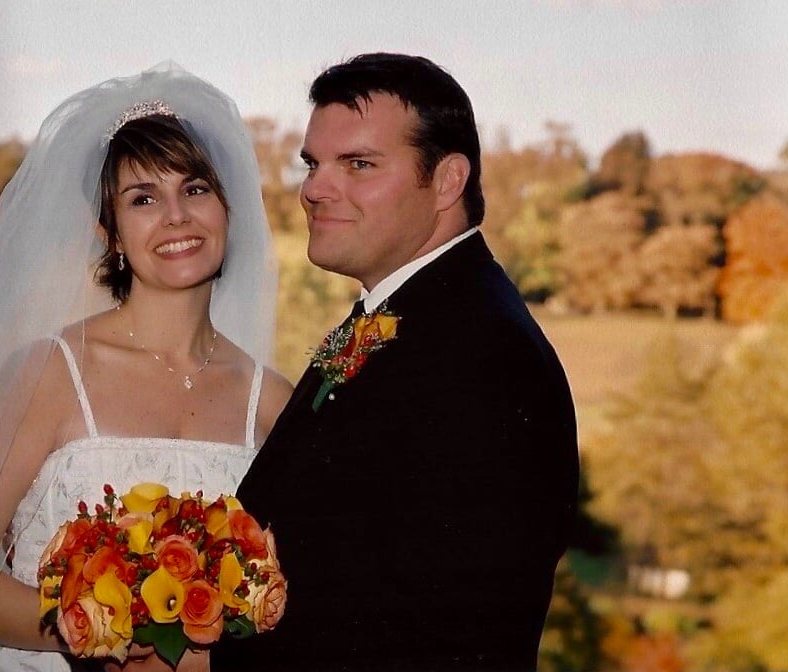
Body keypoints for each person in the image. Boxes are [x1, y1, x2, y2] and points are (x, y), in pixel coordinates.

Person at [0, 63, 291, 672]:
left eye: (195, 189)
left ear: (229, 209)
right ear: (109, 232)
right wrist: (102, 635)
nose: (176, 216)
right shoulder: (46, 374)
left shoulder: (272, 403)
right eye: (143, 199)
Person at [213, 53, 579, 672]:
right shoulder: (412, 316)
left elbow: (435, 629)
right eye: (312, 163)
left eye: (358, 164)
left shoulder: (481, 355)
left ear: (447, 181)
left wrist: (205, 663)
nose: (314, 189)